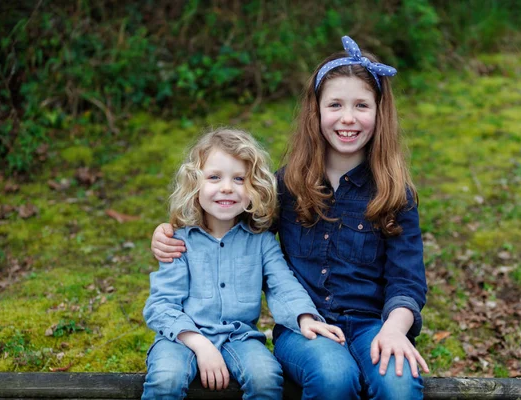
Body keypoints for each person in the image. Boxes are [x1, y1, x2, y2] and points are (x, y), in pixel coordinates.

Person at [151, 36, 429, 399]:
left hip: (374, 325)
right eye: (335, 105)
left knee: (399, 384)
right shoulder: (287, 186)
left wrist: (394, 329)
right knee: (333, 377)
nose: (348, 118)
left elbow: (407, 281)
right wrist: (168, 231)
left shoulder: (394, 192)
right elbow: (230, 223)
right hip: (305, 328)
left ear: (379, 113)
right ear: (316, 112)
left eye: (361, 105)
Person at [142, 128, 345, 400]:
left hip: (240, 338)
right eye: (214, 177)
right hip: (181, 338)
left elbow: (283, 285)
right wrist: (200, 344)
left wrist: (304, 317)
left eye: (239, 179)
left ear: (255, 188)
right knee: (166, 378)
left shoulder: (261, 242)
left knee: (266, 377)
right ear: (195, 184)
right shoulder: (179, 241)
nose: (227, 187)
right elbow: (161, 306)